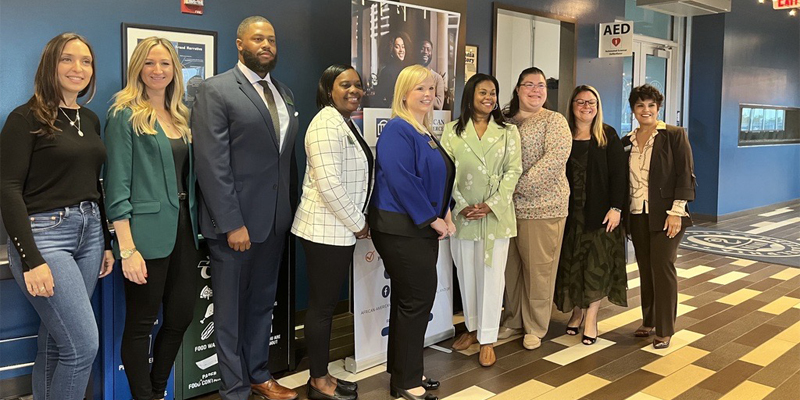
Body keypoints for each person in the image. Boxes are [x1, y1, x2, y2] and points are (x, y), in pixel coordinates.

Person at [0, 33, 114, 400]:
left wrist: (107, 243)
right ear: (50, 64)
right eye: (67, 59)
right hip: (45, 235)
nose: (77, 68)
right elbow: (8, 189)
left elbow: (96, 186)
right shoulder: (25, 118)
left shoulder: (91, 119)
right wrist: (31, 259)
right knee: (82, 346)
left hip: (91, 233)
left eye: (85, 61)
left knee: (56, 340)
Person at [192, 16, 299, 400]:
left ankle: (258, 374)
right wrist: (232, 223)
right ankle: (234, 388)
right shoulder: (216, 90)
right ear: (240, 44)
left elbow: (283, 162)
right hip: (234, 228)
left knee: (260, 306)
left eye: (271, 39)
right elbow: (211, 163)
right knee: (230, 314)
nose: (266, 44)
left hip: (274, 224)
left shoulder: (284, 93)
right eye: (258, 38)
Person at [104, 37, 201, 400]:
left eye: (164, 63)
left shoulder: (182, 116)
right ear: (137, 69)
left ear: (175, 69)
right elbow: (117, 187)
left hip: (185, 232)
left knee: (180, 317)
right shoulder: (124, 114)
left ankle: (157, 391)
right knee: (140, 325)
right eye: (149, 63)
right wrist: (126, 248)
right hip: (144, 235)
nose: (157, 70)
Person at [368, 65, 455, 400]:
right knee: (417, 299)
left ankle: (406, 371)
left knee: (410, 301)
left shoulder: (424, 130)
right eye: (419, 88)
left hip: (418, 227)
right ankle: (405, 382)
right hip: (401, 228)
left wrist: (446, 210)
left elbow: (438, 176)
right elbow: (403, 180)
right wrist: (432, 219)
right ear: (404, 93)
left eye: (431, 89)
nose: (427, 95)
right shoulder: (397, 130)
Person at [290, 64, 372, 400]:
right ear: (328, 89)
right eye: (344, 85)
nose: (353, 90)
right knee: (322, 308)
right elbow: (329, 185)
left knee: (322, 306)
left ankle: (323, 376)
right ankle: (319, 382)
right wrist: (360, 223)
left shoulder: (342, 122)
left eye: (357, 85)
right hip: (325, 230)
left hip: (337, 230)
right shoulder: (325, 123)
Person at [441, 74, 522, 367]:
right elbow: (444, 171)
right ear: (470, 96)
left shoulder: (508, 131)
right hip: (462, 216)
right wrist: (460, 205)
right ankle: (472, 329)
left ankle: (488, 338)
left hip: (495, 215)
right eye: (482, 92)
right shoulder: (451, 131)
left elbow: (514, 171)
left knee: (491, 276)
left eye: (493, 93)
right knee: (466, 273)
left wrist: (491, 204)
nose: (489, 98)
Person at [498, 67, 571, 350]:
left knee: (539, 270)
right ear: (517, 89)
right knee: (511, 270)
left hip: (543, 207)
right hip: (505, 210)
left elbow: (554, 161)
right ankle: (514, 320)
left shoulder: (554, 121)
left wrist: (512, 188)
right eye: (529, 84)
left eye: (540, 85)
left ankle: (535, 326)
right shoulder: (504, 122)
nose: (535, 90)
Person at [553, 85, 628, 346]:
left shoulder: (607, 135)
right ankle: (577, 311)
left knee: (596, 268)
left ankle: (591, 319)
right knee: (573, 266)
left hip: (601, 215)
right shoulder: (562, 135)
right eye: (581, 102)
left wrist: (617, 209)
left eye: (592, 103)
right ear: (572, 105)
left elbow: (620, 176)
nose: (587, 107)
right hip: (568, 214)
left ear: (598, 107)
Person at [622, 84, 695, 349]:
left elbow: (685, 175)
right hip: (637, 214)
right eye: (640, 105)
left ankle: (665, 328)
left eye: (651, 105)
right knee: (646, 268)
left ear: (658, 108)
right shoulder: (626, 141)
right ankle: (649, 319)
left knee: (663, 267)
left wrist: (677, 212)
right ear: (633, 109)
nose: (646, 110)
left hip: (667, 215)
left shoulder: (674, 135)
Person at [373, 31, 411, 107]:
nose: (401, 50)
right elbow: (379, 99)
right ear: (390, 49)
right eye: (397, 47)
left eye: (403, 47)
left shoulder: (406, 69)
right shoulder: (387, 72)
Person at [418, 39, 446, 110]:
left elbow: (439, 104)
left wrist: (418, 94)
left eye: (428, 49)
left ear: (432, 53)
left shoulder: (437, 78)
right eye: (422, 48)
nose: (425, 52)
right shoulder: (410, 75)